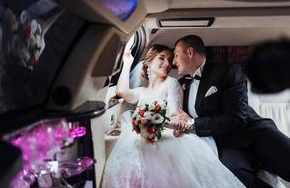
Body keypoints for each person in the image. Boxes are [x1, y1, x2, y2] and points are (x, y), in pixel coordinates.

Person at [102, 44, 244, 188]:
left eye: (170, 60)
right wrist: (127, 62)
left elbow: (174, 117)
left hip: (166, 133)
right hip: (143, 134)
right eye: (162, 58)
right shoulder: (142, 91)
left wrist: (153, 123)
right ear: (148, 61)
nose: (168, 64)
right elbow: (122, 91)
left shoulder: (172, 84)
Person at [172, 35, 290, 187]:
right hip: (228, 145)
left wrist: (193, 123)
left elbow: (237, 118)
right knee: (235, 181)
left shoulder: (228, 71)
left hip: (254, 132)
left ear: (190, 52)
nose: (174, 62)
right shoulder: (182, 86)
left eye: (176, 55)